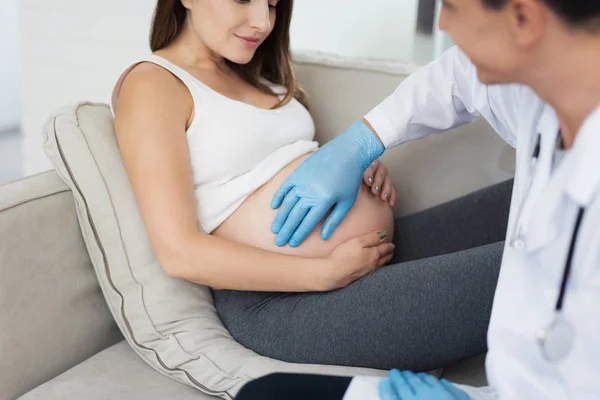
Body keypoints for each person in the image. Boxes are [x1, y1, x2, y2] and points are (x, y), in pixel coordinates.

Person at [111, 0, 510, 372]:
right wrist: (323, 273)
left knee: (535, 200)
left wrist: (357, 163)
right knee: (539, 266)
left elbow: (288, 165)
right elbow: (179, 252)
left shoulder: (260, 75)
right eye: (245, 0)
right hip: (287, 302)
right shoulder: (153, 83)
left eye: (271, 5)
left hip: (370, 256)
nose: (263, 22)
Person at [237, 0, 600, 398]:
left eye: (453, 7)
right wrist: (362, 141)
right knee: (269, 395)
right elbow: (456, 78)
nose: (441, 23)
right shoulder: (542, 95)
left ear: (524, 18)